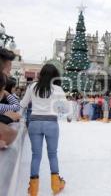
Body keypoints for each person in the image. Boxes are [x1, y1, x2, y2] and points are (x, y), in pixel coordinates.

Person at [20, 64, 66, 196]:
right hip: (51, 123)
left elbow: (22, 104)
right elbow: (63, 109)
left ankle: (33, 189)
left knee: (36, 155)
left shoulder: (32, 86)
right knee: (52, 154)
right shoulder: (57, 89)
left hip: (34, 123)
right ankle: (56, 184)